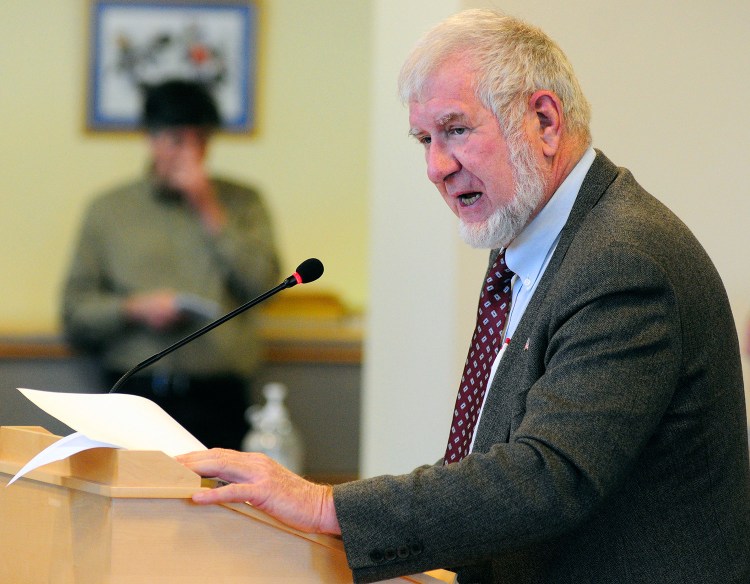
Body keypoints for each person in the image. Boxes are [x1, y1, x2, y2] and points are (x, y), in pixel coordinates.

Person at [176, 10, 750, 584]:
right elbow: (493, 458)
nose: (435, 167)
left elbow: (549, 477)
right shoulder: (527, 244)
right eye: (425, 139)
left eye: (455, 130)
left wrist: (328, 507)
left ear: (545, 121)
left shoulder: (622, 260)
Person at [62, 79, 280, 451]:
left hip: (221, 394)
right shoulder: (109, 210)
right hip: (135, 393)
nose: (191, 154)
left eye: (202, 140)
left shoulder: (243, 202)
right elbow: (75, 312)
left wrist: (209, 208)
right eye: (178, 140)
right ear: (152, 139)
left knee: (222, 505)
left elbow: (266, 286)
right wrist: (133, 309)